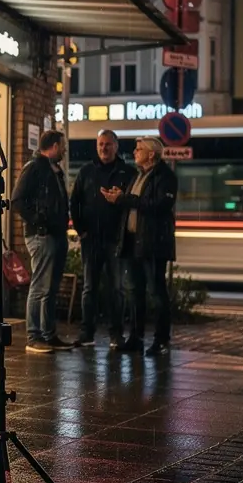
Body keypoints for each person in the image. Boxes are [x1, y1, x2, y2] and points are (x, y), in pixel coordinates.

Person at [101, 136, 178, 357]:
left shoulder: (165, 177)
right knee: (134, 292)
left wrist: (124, 199)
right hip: (133, 242)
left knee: (156, 292)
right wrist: (119, 197)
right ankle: (136, 337)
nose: (134, 152)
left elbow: (158, 206)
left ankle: (161, 340)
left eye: (139, 149)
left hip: (153, 243)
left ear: (151, 154)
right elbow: (134, 203)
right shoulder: (139, 175)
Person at [70, 129, 133, 349]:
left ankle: (116, 335)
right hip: (91, 240)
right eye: (100, 145)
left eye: (107, 144)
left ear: (116, 146)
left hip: (116, 240)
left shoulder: (127, 172)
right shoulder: (86, 171)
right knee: (89, 288)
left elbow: (133, 205)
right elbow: (74, 201)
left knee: (117, 288)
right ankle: (87, 333)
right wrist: (80, 229)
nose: (103, 149)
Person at [11, 129, 71, 354]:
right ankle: (34, 335)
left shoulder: (54, 170)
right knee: (40, 286)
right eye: (62, 146)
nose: (64, 150)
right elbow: (17, 199)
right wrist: (39, 222)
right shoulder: (35, 167)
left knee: (50, 288)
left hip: (55, 234)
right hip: (42, 235)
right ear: (54, 146)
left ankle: (48, 334)